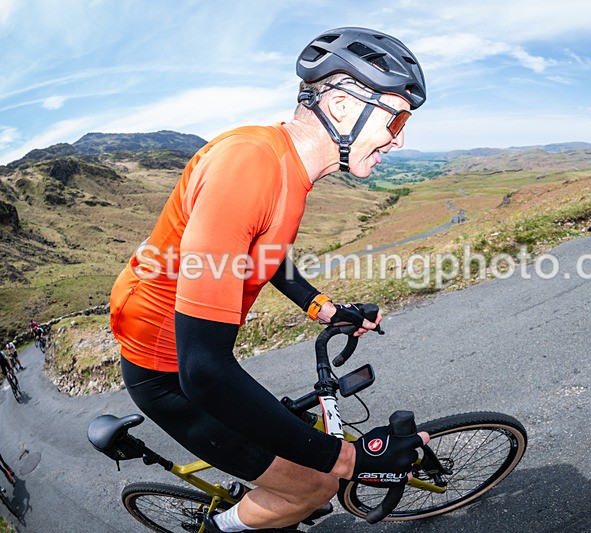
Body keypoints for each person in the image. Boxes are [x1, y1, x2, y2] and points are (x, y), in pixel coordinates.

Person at [109, 27, 429, 533]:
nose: (401, 137)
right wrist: (349, 462)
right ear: (343, 107)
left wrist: (327, 309)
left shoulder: (285, 168)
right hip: (166, 373)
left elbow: (268, 255)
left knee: (303, 449)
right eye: (397, 117)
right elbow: (204, 371)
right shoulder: (250, 164)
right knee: (318, 484)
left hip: (187, 357)